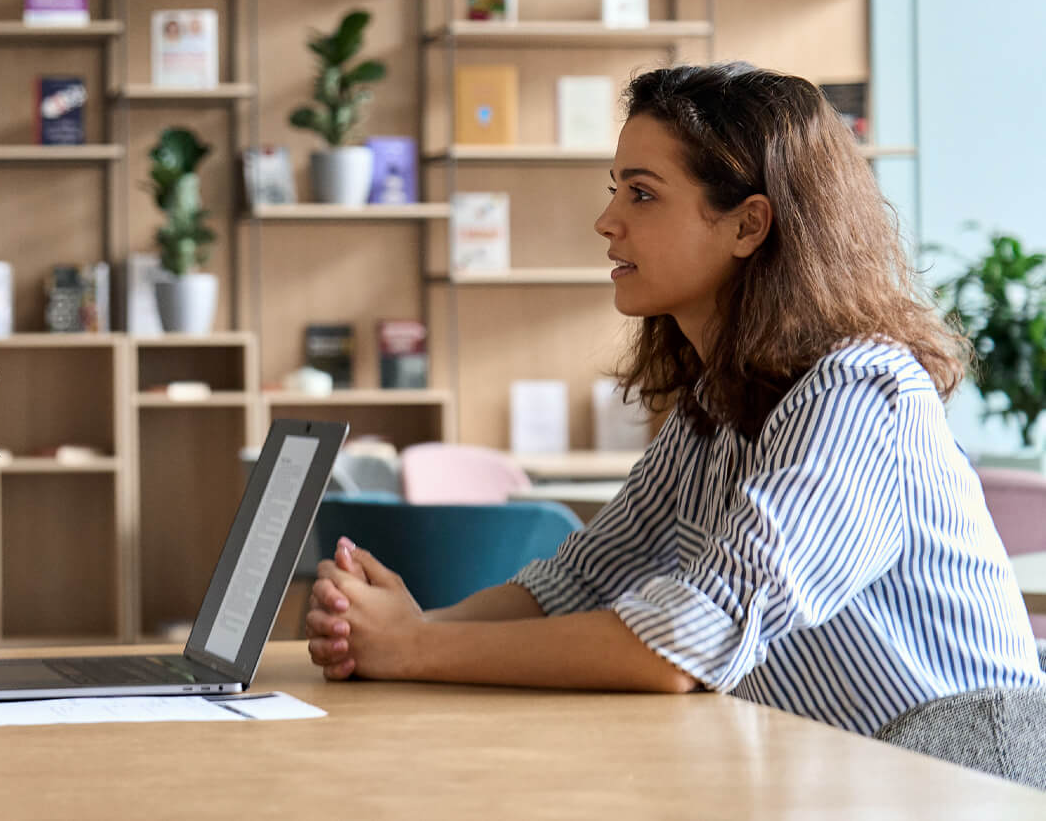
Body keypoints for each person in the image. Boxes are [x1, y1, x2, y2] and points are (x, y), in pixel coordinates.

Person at [307, 62, 1046, 735]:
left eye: (643, 194)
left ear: (749, 224)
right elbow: (577, 584)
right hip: (844, 780)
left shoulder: (862, 394)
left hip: (965, 785)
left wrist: (416, 647)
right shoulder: (716, 405)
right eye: (615, 190)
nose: (607, 221)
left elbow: (683, 645)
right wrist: (403, 627)